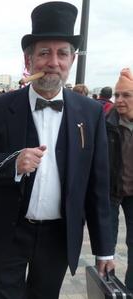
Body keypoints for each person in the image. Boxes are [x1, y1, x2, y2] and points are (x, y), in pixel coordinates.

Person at [0, 2, 114, 298]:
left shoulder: (90, 113)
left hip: (58, 237)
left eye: (62, 53)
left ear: (71, 59)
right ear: (28, 61)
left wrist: (104, 248)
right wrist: (12, 164)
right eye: (44, 52)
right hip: (6, 232)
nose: (53, 62)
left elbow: (98, 186)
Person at [107, 68, 133, 291]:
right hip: (111, 192)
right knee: (106, 245)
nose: (120, 100)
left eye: (126, 95)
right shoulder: (106, 122)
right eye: (117, 95)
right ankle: (108, 288)